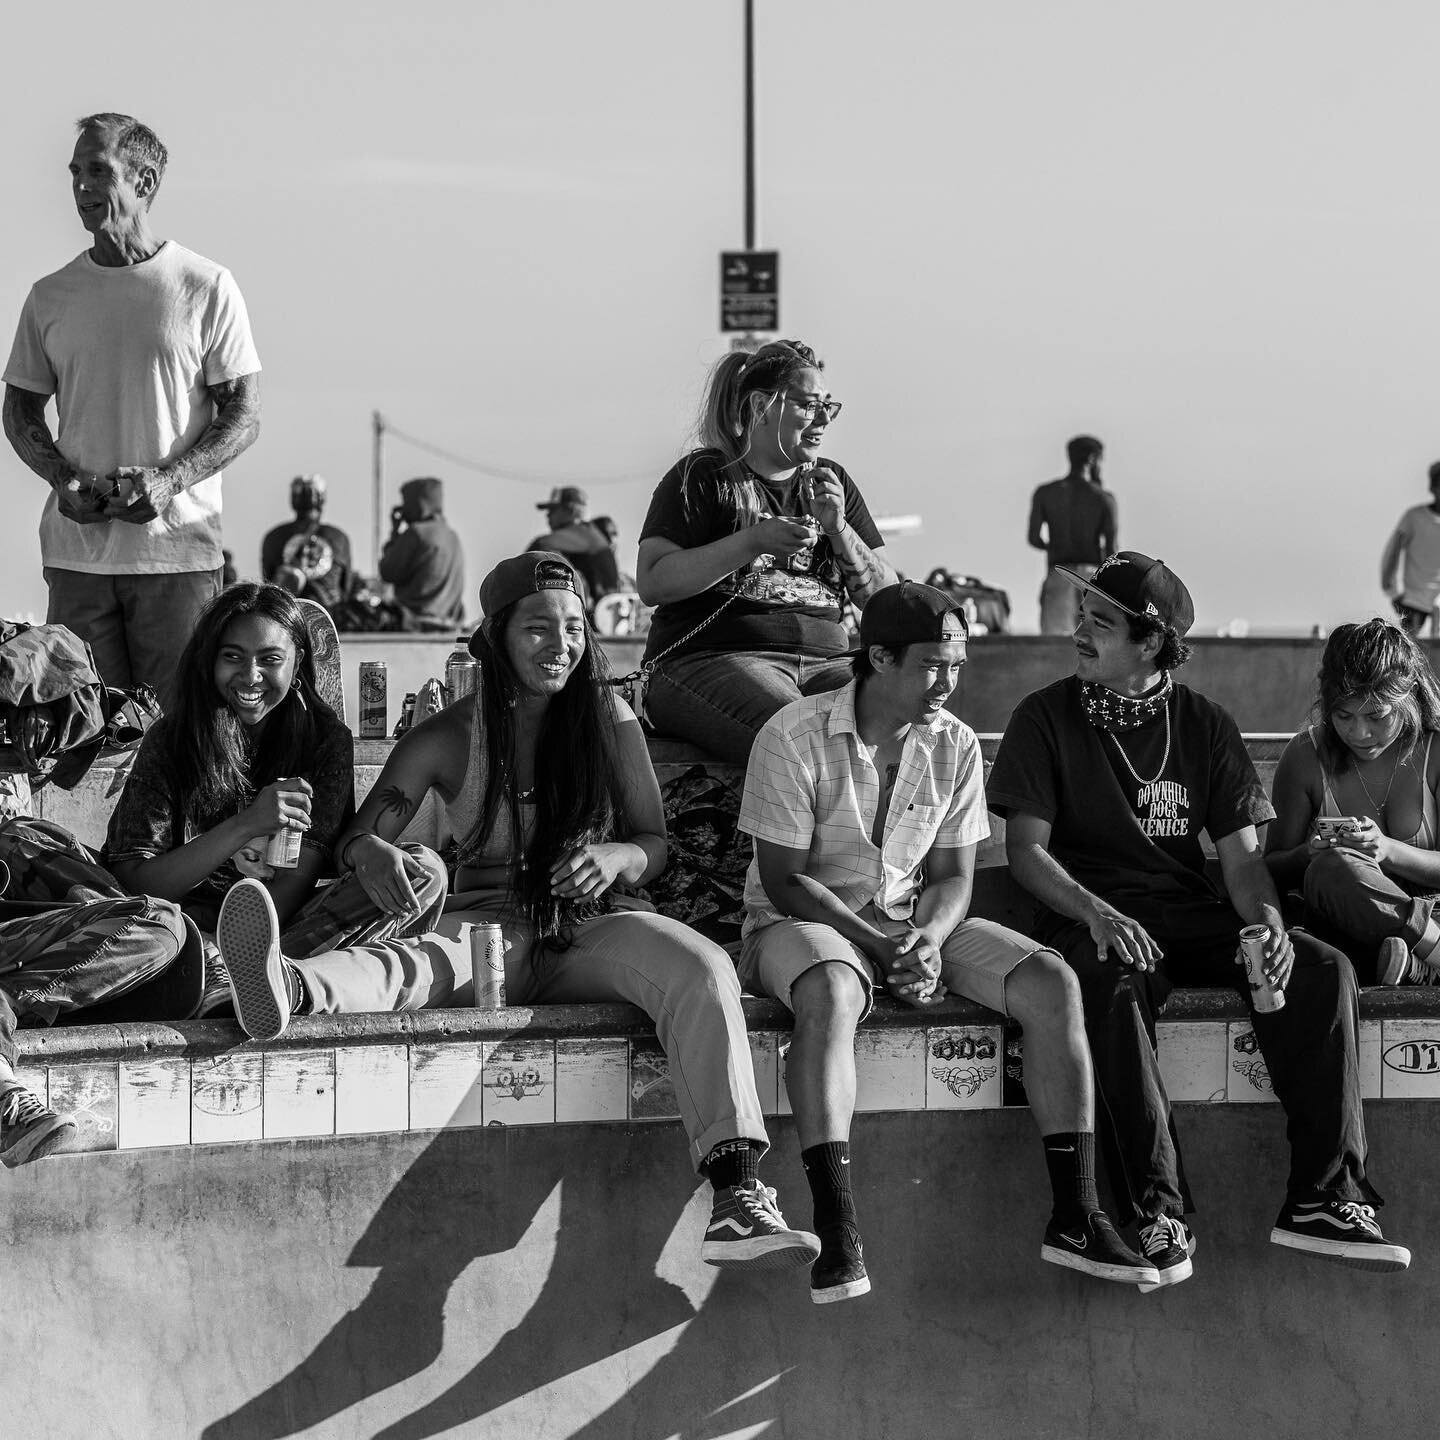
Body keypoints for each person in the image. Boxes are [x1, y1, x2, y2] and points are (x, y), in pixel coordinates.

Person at [216, 551, 821, 1273]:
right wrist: (368, 854)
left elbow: (652, 841)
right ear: (496, 636)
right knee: (410, 966)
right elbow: (360, 833)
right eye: (537, 628)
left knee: (702, 968)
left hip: (593, 925)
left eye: (572, 628)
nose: (558, 645)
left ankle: (737, 1194)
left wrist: (617, 859)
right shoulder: (449, 737)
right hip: (486, 931)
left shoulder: (608, 717)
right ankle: (288, 987)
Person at [987, 551, 1411, 1279]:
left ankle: (1325, 1196)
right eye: (1080, 617)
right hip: (1090, 924)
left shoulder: (1207, 724)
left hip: (1187, 914)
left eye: (1099, 622)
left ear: (1150, 642)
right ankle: (1159, 1212)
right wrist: (1094, 911)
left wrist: (1270, 928)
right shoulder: (1044, 717)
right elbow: (1026, 853)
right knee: (1110, 985)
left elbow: (1244, 863)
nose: (1078, 633)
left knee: (1319, 968)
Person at [738, 580, 1155, 1302]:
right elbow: (785, 882)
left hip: (910, 926)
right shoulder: (793, 735)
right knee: (835, 989)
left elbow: (954, 874)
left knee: (1052, 982)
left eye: (957, 665)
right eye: (933, 665)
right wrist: (878, 943)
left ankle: (1077, 1214)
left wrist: (927, 940)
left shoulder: (955, 743)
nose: (949, 682)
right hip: (798, 929)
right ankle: (838, 1230)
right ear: (880, 658)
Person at [2, 113, 261, 698]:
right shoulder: (50, 295)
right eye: (75, 172)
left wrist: (168, 483)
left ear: (144, 183)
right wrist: (62, 477)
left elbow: (243, 415)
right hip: (78, 559)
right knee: (77, 745)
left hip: (176, 556)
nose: (81, 187)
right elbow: (18, 411)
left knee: (179, 739)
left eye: (99, 171)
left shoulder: (205, 285)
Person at [636, 339, 896, 764]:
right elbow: (653, 581)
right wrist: (752, 541)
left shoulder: (834, 481)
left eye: (829, 406)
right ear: (761, 406)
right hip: (714, 659)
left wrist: (839, 527)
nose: (824, 419)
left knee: (904, 718)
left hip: (828, 662)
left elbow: (885, 601)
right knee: (800, 731)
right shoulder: (704, 475)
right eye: (810, 405)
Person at [1266, 619, 1440, 986]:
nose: (1359, 733)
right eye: (1344, 716)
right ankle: (1429, 955)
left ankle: (1417, 962)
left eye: (1377, 716)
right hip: (1346, 933)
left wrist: (1387, 850)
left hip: (1435, 911)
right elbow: (1271, 869)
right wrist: (1309, 855)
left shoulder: (1435, 750)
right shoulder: (1306, 755)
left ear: (1406, 699)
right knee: (1332, 868)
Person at [1027, 436, 1117, 636]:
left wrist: (1054, 546)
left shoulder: (1046, 493)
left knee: (1055, 644)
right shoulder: (1103, 498)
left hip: (1059, 573)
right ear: (1093, 458)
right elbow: (1111, 551)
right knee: (1094, 642)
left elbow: (1033, 538)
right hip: (1092, 579)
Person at [377, 477, 465, 631]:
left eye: (406, 502)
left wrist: (395, 533)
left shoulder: (416, 533)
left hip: (414, 622)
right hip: (448, 623)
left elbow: (388, 571)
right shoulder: (452, 536)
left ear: (418, 503)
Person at [261, 475, 353, 611]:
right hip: (329, 616)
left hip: (289, 616)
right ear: (322, 500)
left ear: (293, 500)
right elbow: (346, 588)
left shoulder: (274, 537)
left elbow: (268, 585)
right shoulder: (339, 537)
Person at [528, 486, 621, 607]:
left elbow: (523, 576)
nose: (548, 515)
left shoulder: (550, 542)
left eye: (553, 510)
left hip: (585, 615)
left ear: (571, 510)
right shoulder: (594, 535)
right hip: (608, 614)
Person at [1379, 462, 1440, 635]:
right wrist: (1392, 593)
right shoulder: (1414, 518)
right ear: (1433, 487)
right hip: (1414, 604)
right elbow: (1392, 553)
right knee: (1410, 656)